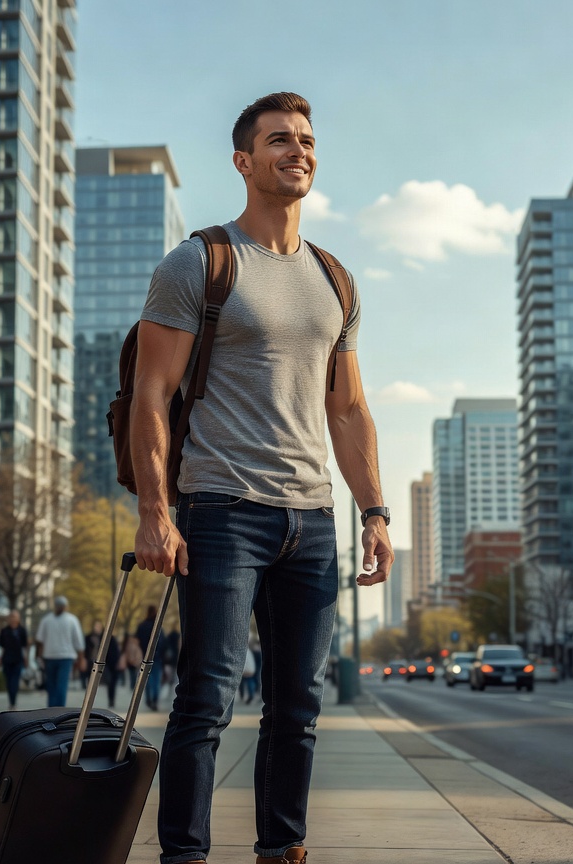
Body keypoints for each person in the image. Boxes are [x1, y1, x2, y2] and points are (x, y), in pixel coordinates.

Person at [132, 92, 392, 864]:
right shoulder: (201, 262)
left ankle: (283, 850)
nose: (299, 150)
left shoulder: (335, 279)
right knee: (206, 699)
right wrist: (156, 509)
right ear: (244, 162)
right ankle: (184, 854)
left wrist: (373, 510)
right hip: (220, 509)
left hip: (311, 520)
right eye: (280, 140)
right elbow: (152, 394)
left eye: (307, 140)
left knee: (298, 708)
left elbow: (349, 410)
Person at [34, 596, 85, 708]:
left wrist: (39, 656)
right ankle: (59, 708)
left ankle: (52, 708)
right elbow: (78, 641)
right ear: (65, 607)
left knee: (52, 684)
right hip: (64, 657)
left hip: (51, 656)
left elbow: (40, 641)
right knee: (61, 684)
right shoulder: (72, 620)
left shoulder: (46, 620)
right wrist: (81, 658)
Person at [0, 610, 30, 710]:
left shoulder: (22, 631)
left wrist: (26, 659)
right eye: (11, 617)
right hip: (7, 658)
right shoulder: (4, 631)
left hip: (18, 659)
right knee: (8, 681)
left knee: (14, 681)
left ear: (18, 619)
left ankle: (13, 703)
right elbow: (2, 647)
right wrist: (0, 659)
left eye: (15, 617)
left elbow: (25, 646)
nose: (13, 619)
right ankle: (11, 701)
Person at [134, 605, 165, 711]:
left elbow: (137, 642)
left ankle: (149, 700)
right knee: (156, 680)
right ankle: (155, 700)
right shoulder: (158, 626)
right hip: (157, 656)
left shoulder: (141, 626)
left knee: (146, 679)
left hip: (144, 656)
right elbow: (163, 642)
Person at [84, 620, 104, 691]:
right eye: (96, 626)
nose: (97, 628)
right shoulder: (88, 637)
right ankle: (90, 685)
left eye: (99, 626)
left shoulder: (104, 637)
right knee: (90, 672)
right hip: (90, 657)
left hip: (100, 658)